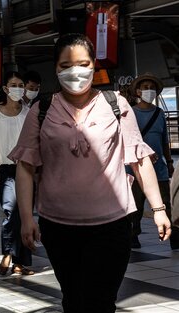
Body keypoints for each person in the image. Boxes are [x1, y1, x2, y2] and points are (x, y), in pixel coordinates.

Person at [9, 33, 172, 313]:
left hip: (111, 224)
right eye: (65, 66)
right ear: (55, 69)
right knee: (73, 299)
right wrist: (25, 218)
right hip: (58, 225)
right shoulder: (42, 109)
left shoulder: (116, 105)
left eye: (82, 64)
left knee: (100, 301)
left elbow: (139, 159)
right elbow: (25, 166)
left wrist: (158, 208)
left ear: (94, 65)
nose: (75, 72)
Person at [0, 71, 34, 276]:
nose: (18, 88)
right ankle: (8, 253)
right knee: (11, 210)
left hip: (26, 168)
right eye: (14, 84)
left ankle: (21, 263)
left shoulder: (28, 111)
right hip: (3, 168)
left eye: (21, 85)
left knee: (24, 214)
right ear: (5, 88)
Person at [126, 73, 179, 249]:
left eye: (152, 88)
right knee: (137, 205)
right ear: (138, 92)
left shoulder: (160, 113)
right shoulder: (130, 113)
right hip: (136, 168)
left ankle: (175, 237)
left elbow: (164, 140)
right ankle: (133, 235)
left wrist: (169, 162)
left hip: (160, 168)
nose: (149, 91)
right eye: (145, 87)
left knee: (167, 204)